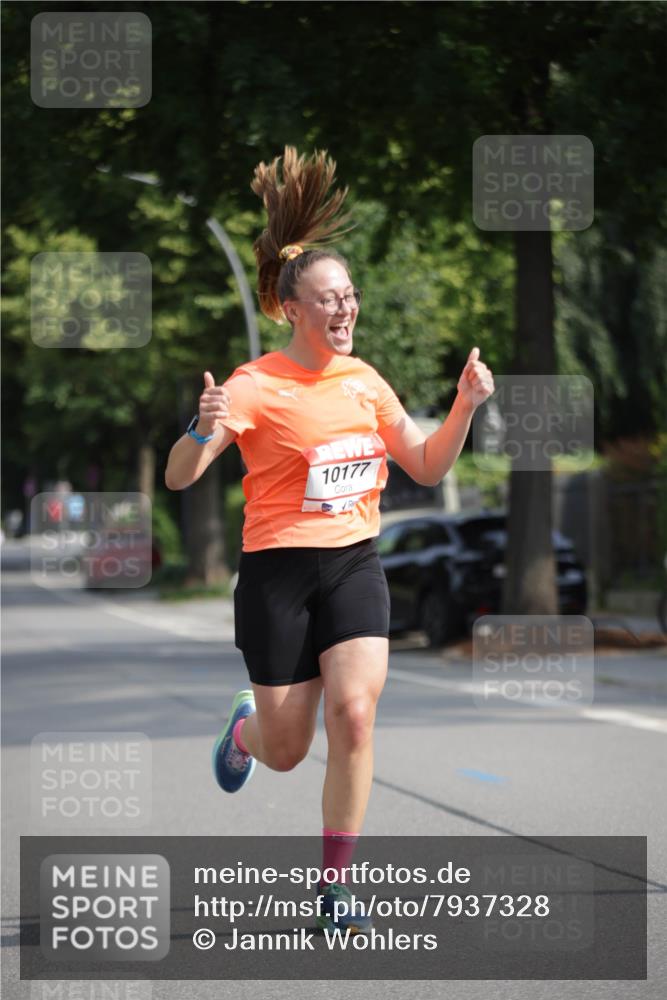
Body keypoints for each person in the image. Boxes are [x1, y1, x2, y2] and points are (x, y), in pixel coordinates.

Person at [164, 147, 494, 933]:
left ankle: (334, 887)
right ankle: (245, 727)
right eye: (328, 301)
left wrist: (464, 408)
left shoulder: (365, 380)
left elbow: (420, 460)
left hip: (352, 564)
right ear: (290, 309)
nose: (344, 312)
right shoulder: (253, 385)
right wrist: (198, 428)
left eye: (350, 298)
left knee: (353, 714)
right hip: (276, 575)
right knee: (285, 749)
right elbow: (181, 476)